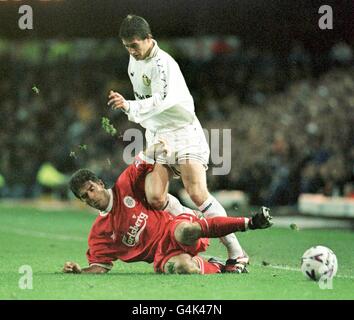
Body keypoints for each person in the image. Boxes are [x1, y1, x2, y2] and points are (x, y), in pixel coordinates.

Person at [107, 14, 248, 272]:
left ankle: (236, 252)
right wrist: (133, 109)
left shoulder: (163, 64)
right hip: (158, 134)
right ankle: (195, 222)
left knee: (196, 192)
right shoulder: (134, 59)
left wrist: (129, 105)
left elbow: (160, 100)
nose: (131, 51)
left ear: (149, 39)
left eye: (135, 45)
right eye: (127, 46)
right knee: (155, 197)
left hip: (183, 132)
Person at [63, 141, 273, 275]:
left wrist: (153, 149)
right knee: (184, 268)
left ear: (100, 183)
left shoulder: (124, 186)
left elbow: (142, 159)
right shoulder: (99, 234)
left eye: (91, 189)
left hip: (172, 228)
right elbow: (100, 267)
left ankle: (250, 222)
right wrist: (79, 271)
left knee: (187, 230)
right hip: (162, 256)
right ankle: (217, 267)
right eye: (84, 196)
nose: (90, 197)